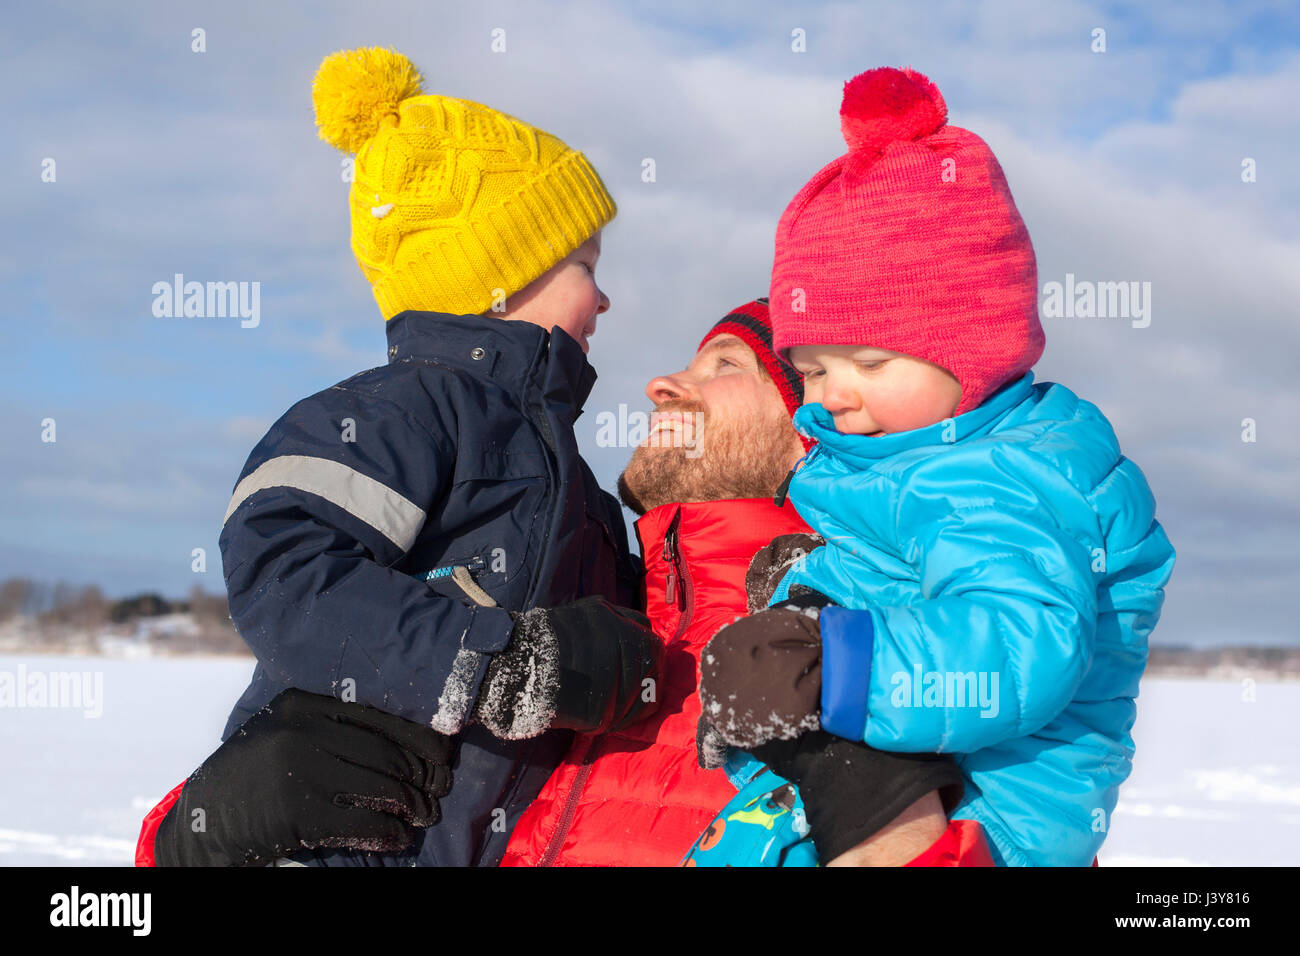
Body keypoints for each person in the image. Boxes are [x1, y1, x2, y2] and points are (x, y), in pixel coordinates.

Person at [137, 301, 994, 867]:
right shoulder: (564, 648)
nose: (663, 383)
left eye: (726, 366)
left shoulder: (882, 660)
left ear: (817, 431)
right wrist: (195, 837)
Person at [137, 45, 667, 868]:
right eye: (585, 266)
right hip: (340, 836)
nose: (603, 297)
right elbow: (283, 559)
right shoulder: (404, 412)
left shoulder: (568, 475)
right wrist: (494, 665)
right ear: (502, 273)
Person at [689, 67, 1177, 867]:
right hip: (904, 777)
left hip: (987, 819)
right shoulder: (908, 459)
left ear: (974, 350)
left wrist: (828, 666)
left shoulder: (1006, 475)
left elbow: (1022, 646)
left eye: (870, 361)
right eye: (811, 368)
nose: (833, 394)